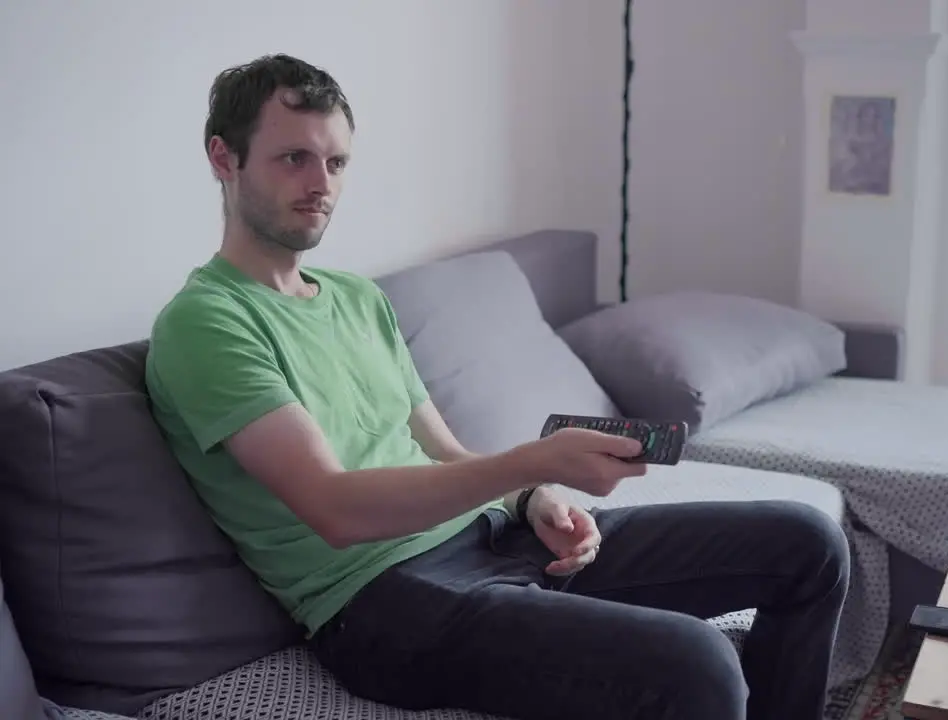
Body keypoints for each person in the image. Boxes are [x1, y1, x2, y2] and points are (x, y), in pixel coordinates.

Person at [145, 54, 851, 720]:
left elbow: (444, 451)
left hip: (492, 540)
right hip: (384, 602)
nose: (321, 183)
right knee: (699, 665)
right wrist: (534, 462)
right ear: (223, 158)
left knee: (808, 544)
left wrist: (530, 498)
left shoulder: (356, 298)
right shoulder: (207, 322)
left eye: (335, 161)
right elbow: (335, 510)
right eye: (293, 157)